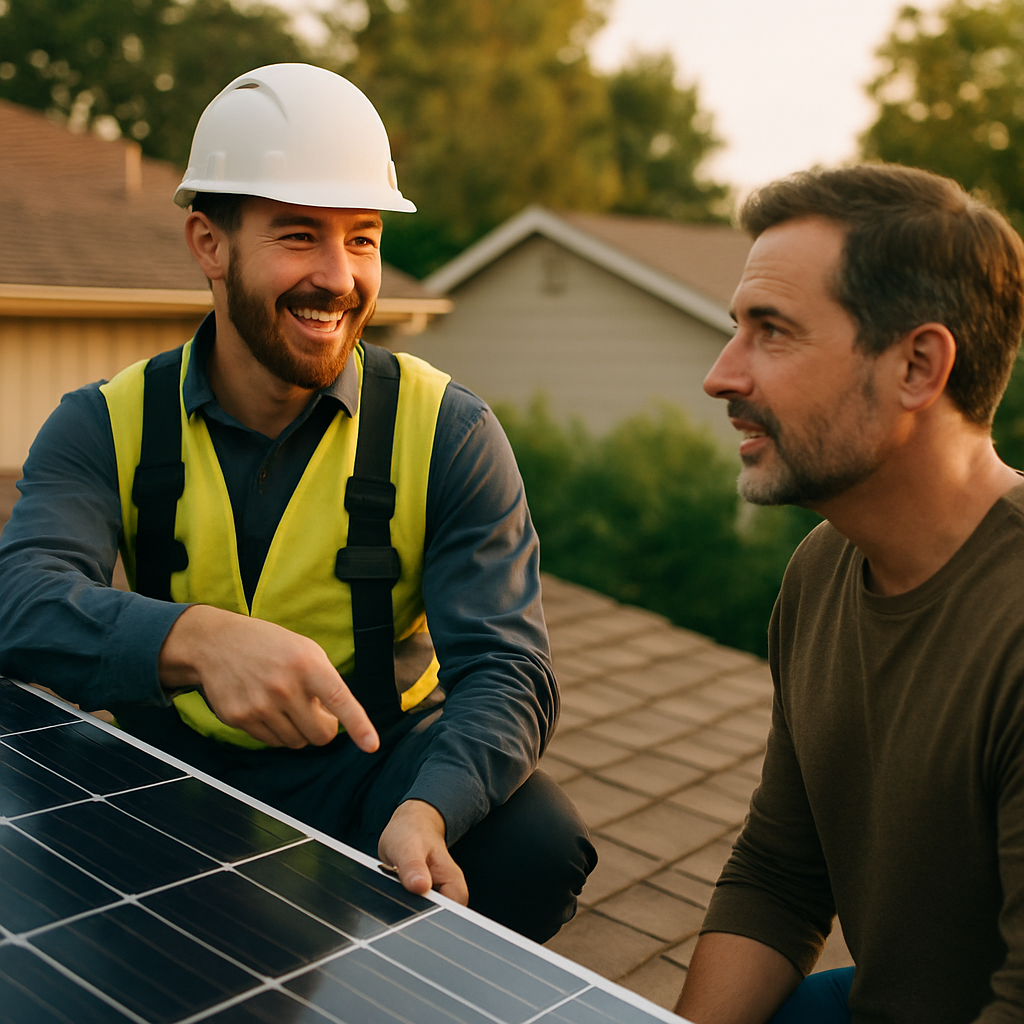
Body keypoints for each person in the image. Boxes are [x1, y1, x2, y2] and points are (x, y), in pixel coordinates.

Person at [0, 63, 595, 943]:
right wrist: (193, 640)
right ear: (208, 243)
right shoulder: (105, 423)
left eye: (361, 239)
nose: (338, 276)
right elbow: (20, 603)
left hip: (372, 778)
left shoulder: (448, 430)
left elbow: (510, 670)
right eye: (298, 235)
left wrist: (430, 810)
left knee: (535, 843)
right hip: (171, 765)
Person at [673, 164, 1024, 1024]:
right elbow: (780, 874)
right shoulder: (823, 569)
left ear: (917, 365)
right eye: (735, 331)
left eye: (774, 332)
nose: (722, 376)